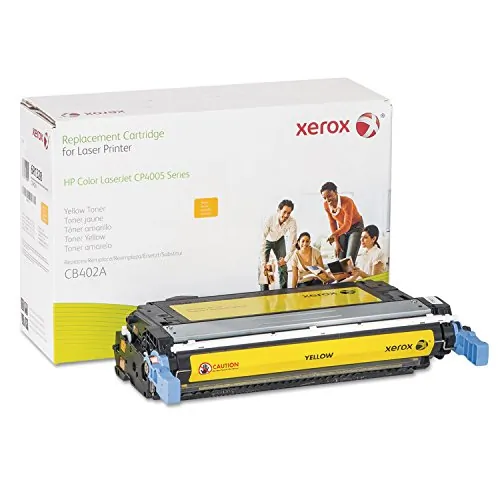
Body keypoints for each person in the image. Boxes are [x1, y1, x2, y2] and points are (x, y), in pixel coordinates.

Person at [320, 181, 364, 264]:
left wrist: (334, 235)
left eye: (329, 196)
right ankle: (341, 273)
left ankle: (350, 272)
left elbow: (347, 225)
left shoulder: (347, 202)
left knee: (349, 260)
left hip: (355, 227)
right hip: (341, 229)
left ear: (336, 192)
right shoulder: (326, 205)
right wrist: (336, 242)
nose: (327, 200)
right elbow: (332, 223)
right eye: (325, 198)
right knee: (340, 256)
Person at [260, 199, 298, 290]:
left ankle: (283, 291)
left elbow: (293, 243)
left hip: (280, 240)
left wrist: (286, 259)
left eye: (289, 213)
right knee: (263, 268)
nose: (286, 215)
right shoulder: (270, 219)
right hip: (268, 240)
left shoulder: (292, 222)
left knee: (283, 266)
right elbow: (262, 240)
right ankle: (264, 292)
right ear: (278, 210)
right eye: (284, 212)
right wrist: (264, 262)